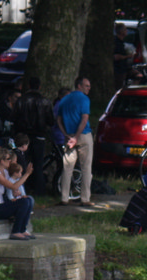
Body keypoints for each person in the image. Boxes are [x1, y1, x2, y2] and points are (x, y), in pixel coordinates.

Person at [56, 76, 94, 206]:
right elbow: (84, 119)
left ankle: (64, 197)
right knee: (86, 167)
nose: (89, 88)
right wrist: (76, 137)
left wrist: (65, 134)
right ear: (79, 85)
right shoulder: (84, 99)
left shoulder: (64, 99)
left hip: (69, 135)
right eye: (86, 86)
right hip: (83, 135)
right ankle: (85, 198)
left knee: (67, 167)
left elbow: (59, 120)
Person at [15, 76, 54, 196]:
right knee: (38, 164)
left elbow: (14, 118)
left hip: (24, 136)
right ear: (39, 87)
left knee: (22, 162)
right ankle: (39, 190)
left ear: (29, 86)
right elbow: (51, 120)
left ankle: (23, 187)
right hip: (39, 135)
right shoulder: (45, 101)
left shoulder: (21, 101)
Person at [0, 149, 34, 239]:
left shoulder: (5, 173)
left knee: (29, 200)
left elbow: (13, 185)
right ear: (2, 161)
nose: (10, 161)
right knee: (24, 203)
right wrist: (27, 174)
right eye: (8, 159)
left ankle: (22, 229)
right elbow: (13, 186)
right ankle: (16, 231)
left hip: (1, 204)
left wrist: (17, 193)